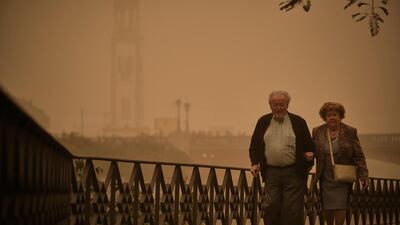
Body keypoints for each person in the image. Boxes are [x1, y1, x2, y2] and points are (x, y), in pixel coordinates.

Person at [249, 90, 314, 225]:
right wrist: (254, 163)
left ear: (287, 105)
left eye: (281, 105)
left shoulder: (298, 122)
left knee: (292, 210)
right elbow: (254, 145)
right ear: (270, 106)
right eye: (275, 105)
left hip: (294, 173)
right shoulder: (263, 121)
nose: (278, 108)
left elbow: (310, 147)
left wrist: (309, 158)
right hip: (271, 173)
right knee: (271, 206)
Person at [311, 102, 369, 225]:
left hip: (342, 176)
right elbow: (313, 151)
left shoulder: (350, 131)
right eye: (328, 115)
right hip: (325, 176)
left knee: (340, 206)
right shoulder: (317, 131)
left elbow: (359, 156)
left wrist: (363, 175)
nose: (332, 117)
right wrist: (309, 156)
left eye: (335, 115)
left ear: (340, 116)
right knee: (327, 207)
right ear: (324, 117)